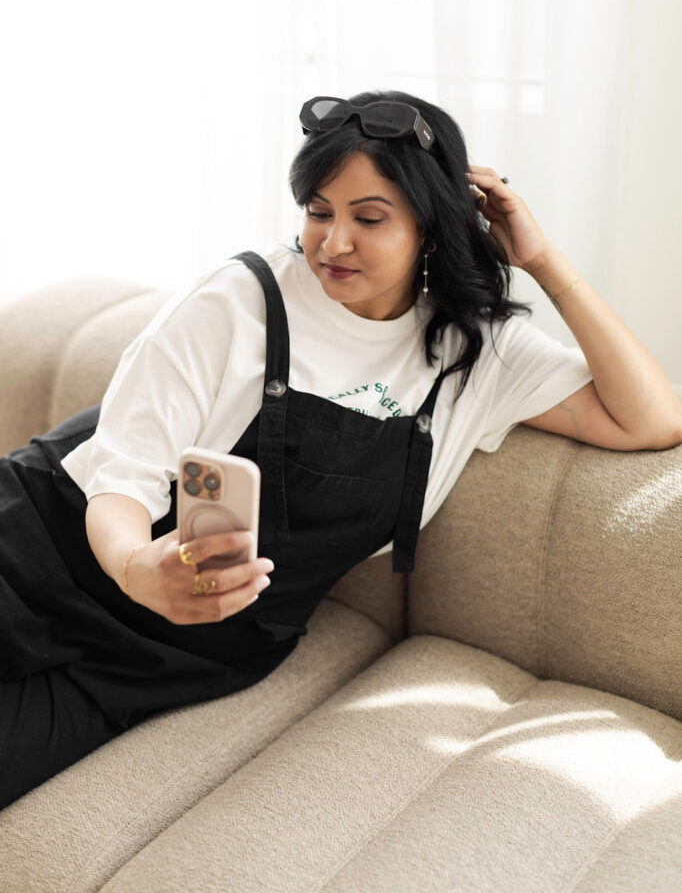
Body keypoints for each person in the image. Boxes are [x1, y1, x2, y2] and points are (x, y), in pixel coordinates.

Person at [1, 90, 680, 810]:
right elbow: (122, 473)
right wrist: (137, 567)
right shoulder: (240, 299)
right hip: (44, 549)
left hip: (176, 655)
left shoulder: (472, 351)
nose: (333, 243)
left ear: (432, 225)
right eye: (319, 212)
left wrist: (544, 261)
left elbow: (652, 420)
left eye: (369, 218)